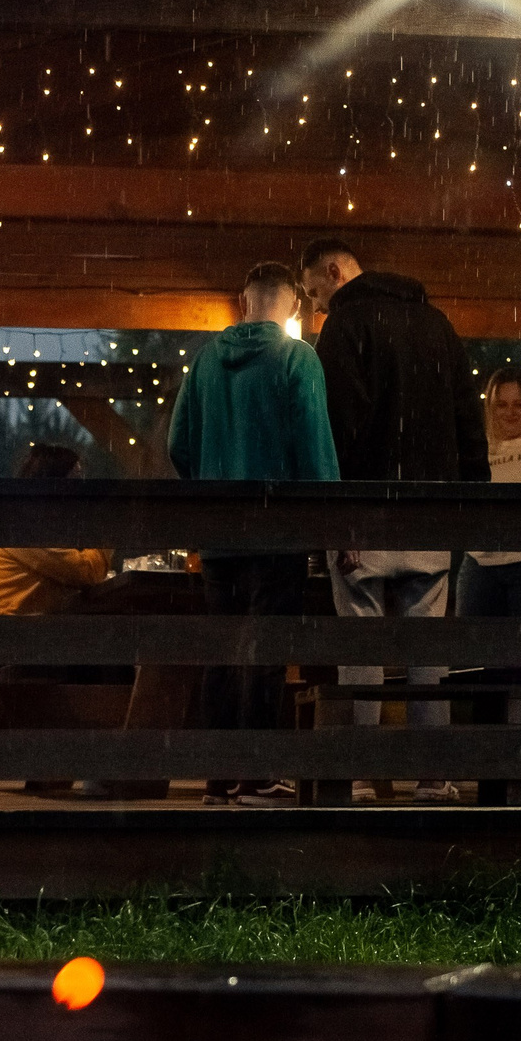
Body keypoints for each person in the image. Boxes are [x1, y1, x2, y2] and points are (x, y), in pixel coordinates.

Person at [298, 237, 485, 804]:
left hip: (365, 514)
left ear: (334, 272)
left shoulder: (347, 328)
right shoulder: (438, 326)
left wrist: (336, 517)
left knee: (362, 646)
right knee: (427, 649)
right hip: (430, 513)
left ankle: (360, 773)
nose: (316, 308)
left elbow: (339, 428)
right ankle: (432, 775)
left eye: (314, 293)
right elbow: (466, 419)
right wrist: (468, 505)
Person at [168, 261, 340, 805]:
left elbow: (178, 444)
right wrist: (333, 520)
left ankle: (218, 778)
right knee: (266, 649)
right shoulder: (297, 358)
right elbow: (316, 446)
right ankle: (259, 774)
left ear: (244, 300)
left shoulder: (205, 362)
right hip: (276, 533)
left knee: (223, 651)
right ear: (292, 305)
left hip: (218, 537)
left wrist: (211, 485)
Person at [0, 442, 111, 616]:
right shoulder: (25, 527)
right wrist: (108, 530)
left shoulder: (24, 520)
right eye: (76, 481)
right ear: (54, 486)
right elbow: (88, 572)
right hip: (5, 630)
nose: (82, 491)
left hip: (10, 627)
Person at [457, 367, 521, 620]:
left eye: (519, 404)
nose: (510, 412)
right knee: (469, 651)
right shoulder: (478, 448)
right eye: (501, 405)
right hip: (479, 562)